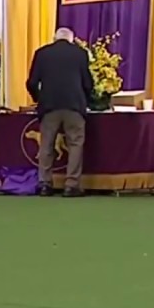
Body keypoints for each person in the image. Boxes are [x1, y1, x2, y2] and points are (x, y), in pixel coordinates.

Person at [25, 27, 93, 197]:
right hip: (74, 105)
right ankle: (71, 185)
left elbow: (32, 82)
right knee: (75, 144)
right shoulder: (80, 54)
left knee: (46, 145)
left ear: (54, 38)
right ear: (72, 39)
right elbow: (87, 82)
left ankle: (45, 184)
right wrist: (86, 99)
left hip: (49, 106)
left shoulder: (42, 53)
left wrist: (38, 98)